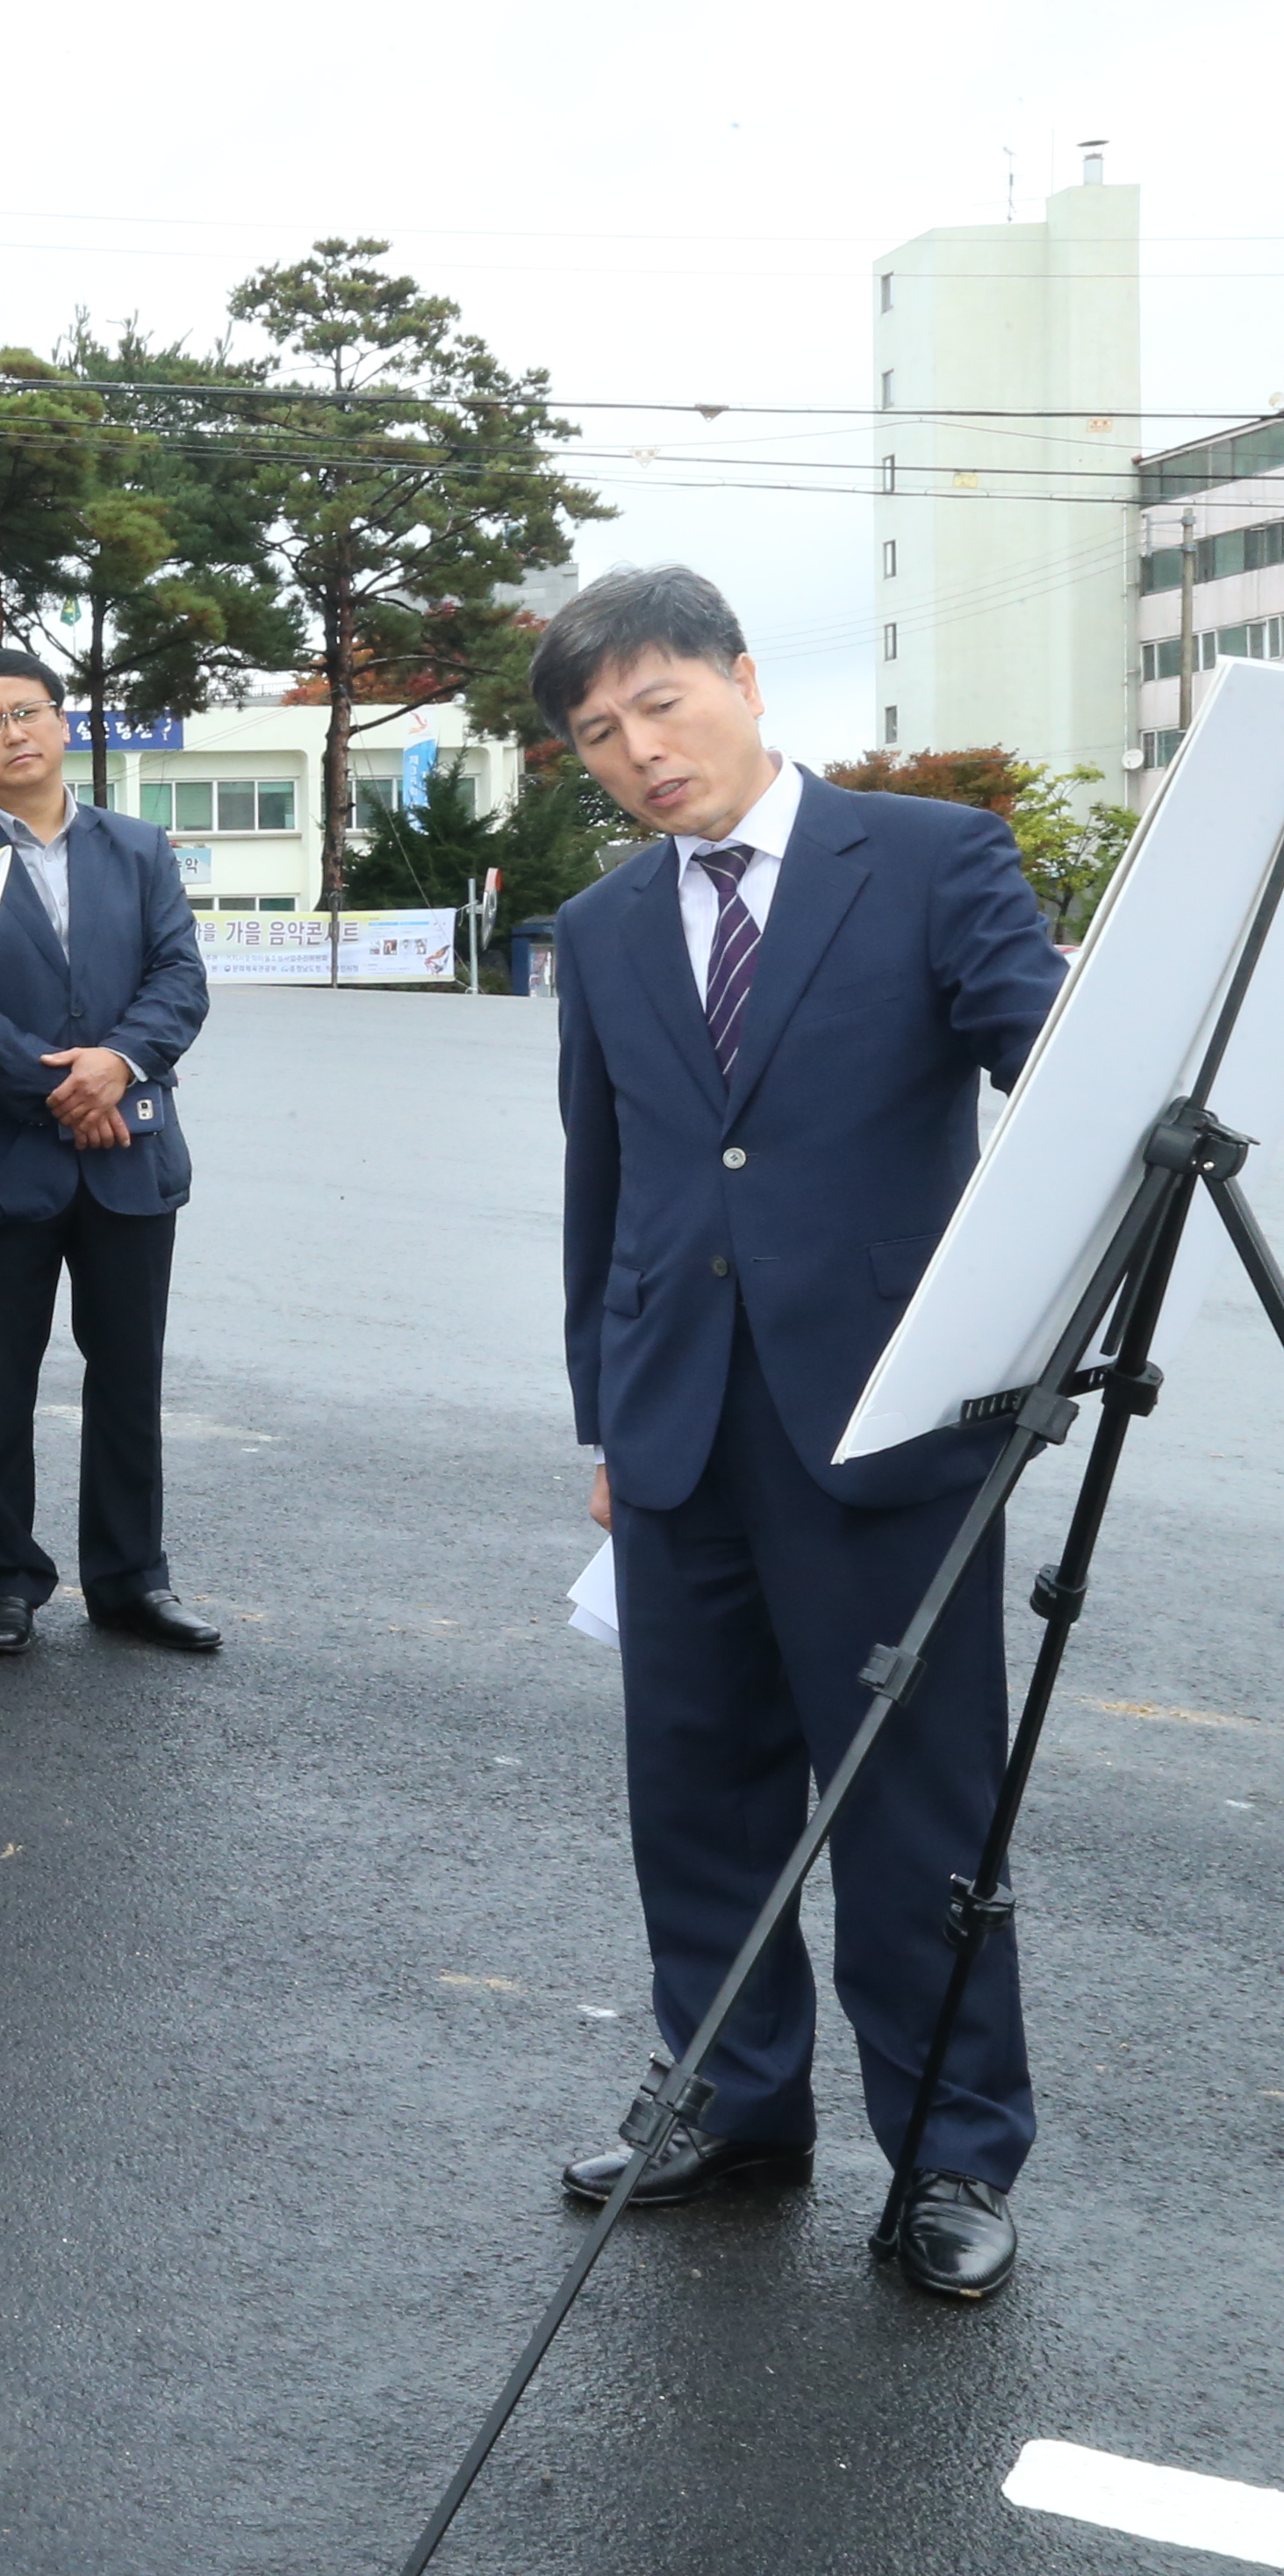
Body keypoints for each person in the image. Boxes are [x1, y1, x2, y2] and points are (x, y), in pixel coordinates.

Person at [543, 565, 1062, 2302]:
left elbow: (1050, 1073)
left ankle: (951, 2149)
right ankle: (732, 2101)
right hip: (680, 1427)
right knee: (694, 1793)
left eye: (662, 704)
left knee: (916, 1806)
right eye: (601, 736)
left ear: (746, 681)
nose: (640, 751)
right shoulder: (608, 928)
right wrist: (605, 1421)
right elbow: (602, 1189)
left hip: (891, 1432)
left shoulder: (930, 861)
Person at [0, 648, 220, 1658]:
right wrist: (61, 1085)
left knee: (128, 1376)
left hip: (131, 1156)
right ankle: (3, 1580)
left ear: (63, 723)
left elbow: (179, 976)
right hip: (3, 1161)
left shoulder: (137, 848)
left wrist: (118, 1065)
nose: (15, 733)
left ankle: (132, 1579)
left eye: (29, 711)